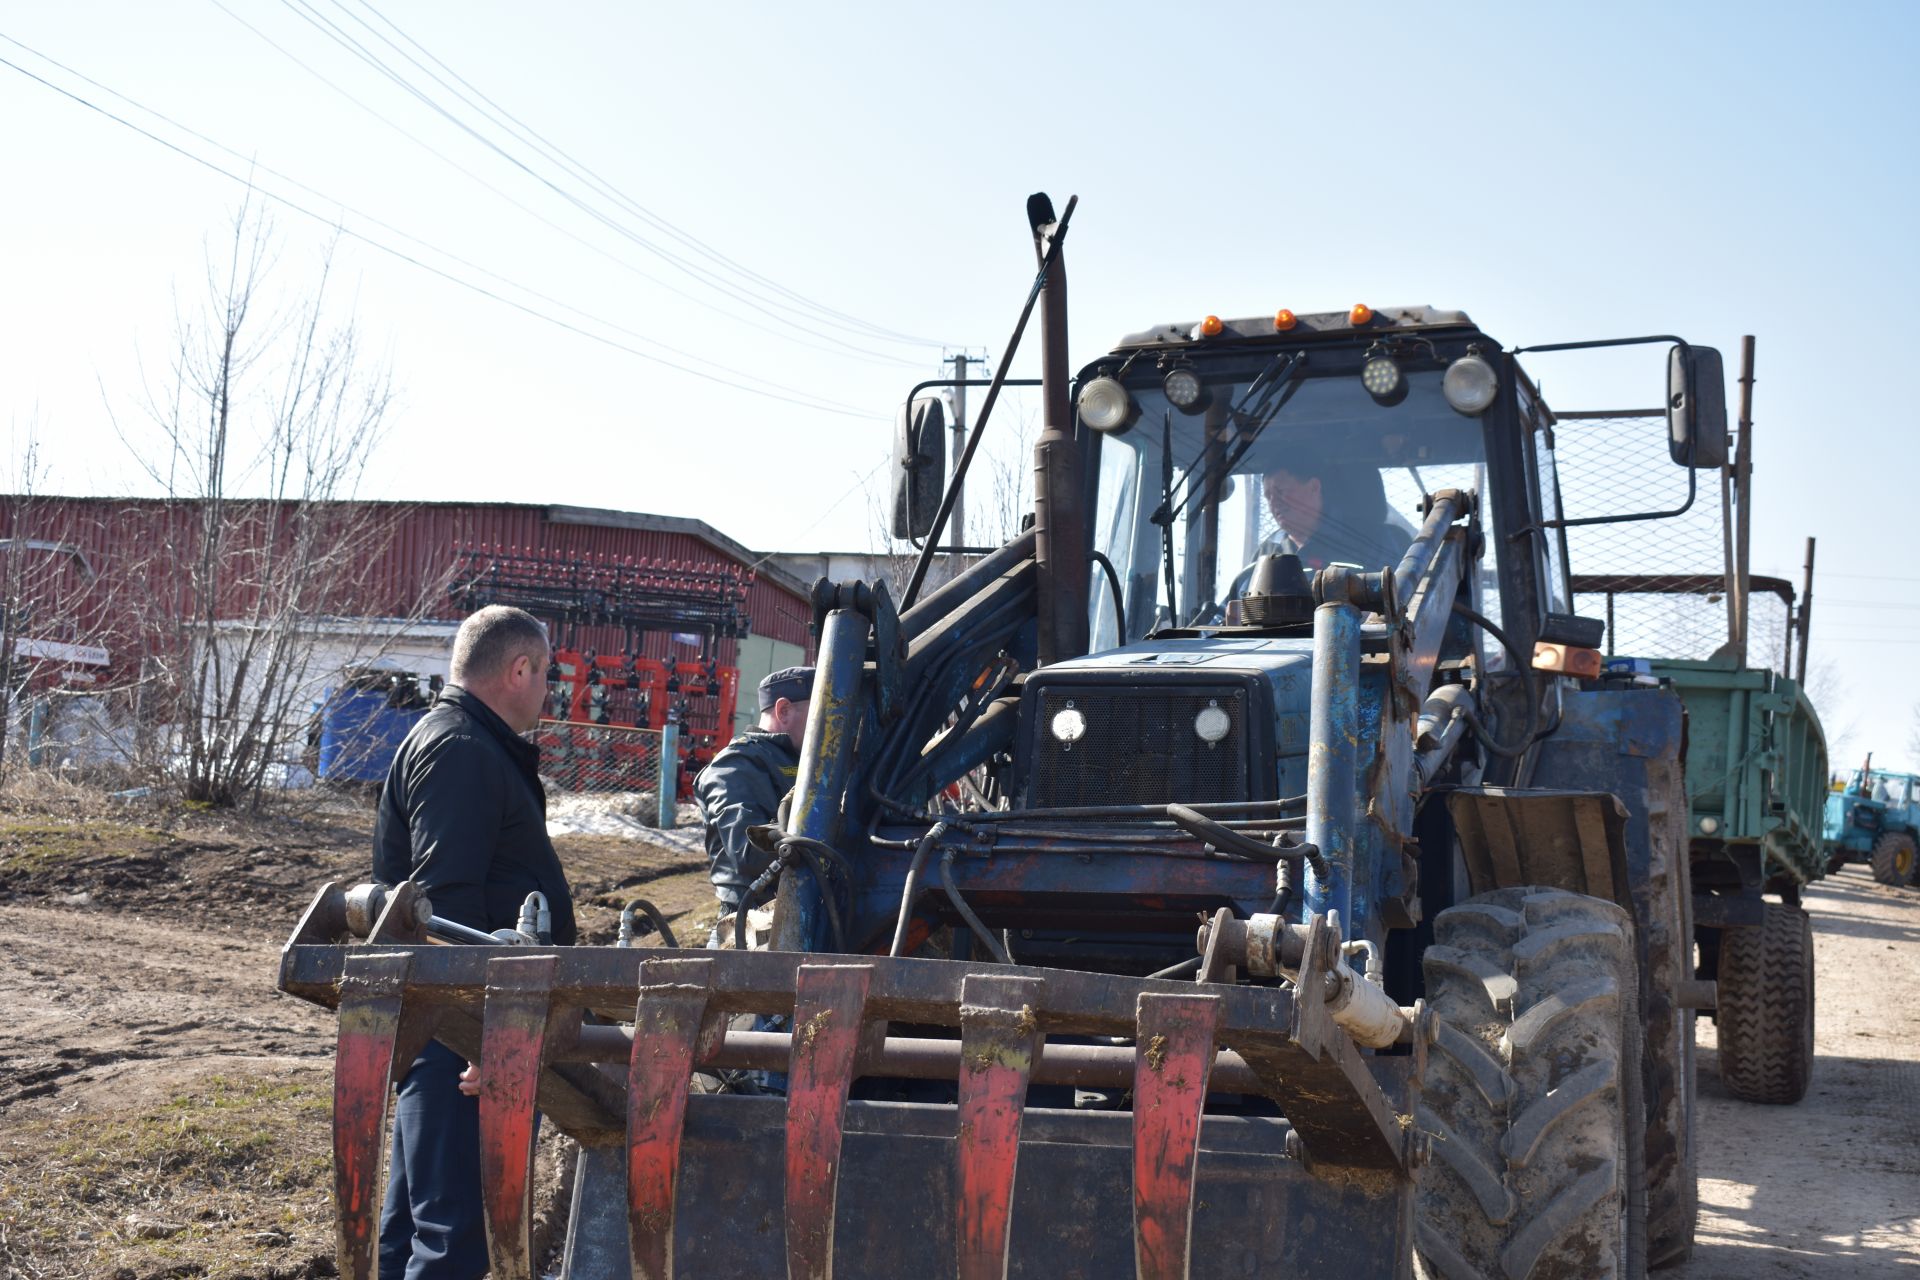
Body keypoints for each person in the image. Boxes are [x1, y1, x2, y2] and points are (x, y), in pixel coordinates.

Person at [373, 604, 575, 1280]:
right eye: (545, 675)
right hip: (457, 1042)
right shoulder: (461, 750)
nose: (549, 691)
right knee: (453, 1235)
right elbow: (441, 911)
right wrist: (486, 1039)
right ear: (519, 669)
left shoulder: (472, 745)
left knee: (422, 1226)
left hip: (452, 1026)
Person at [695, 665, 814, 921]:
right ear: (783, 710)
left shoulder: (804, 761)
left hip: (798, 913)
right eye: (821, 713)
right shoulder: (735, 765)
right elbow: (748, 850)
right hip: (750, 923)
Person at [1259, 446, 1412, 573]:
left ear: (1314, 487)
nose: (1274, 502)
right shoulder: (1267, 550)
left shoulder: (1378, 540)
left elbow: (1403, 599)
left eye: (1281, 491)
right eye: (1268, 496)